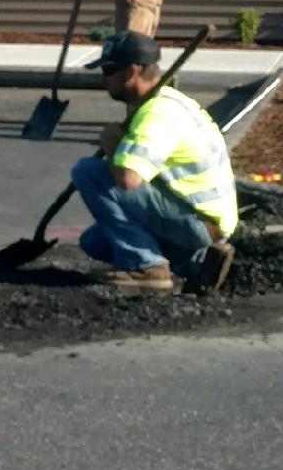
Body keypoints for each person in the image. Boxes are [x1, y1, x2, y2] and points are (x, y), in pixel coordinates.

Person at [70, 30, 237, 294]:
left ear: (132, 72)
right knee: (95, 241)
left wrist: (112, 142)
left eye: (109, 70)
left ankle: (146, 267)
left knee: (88, 171)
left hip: (198, 222)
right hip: (202, 220)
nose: (104, 79)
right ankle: (196, 262)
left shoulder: (157, 114)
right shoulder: (168, 102)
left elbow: (129, 180)